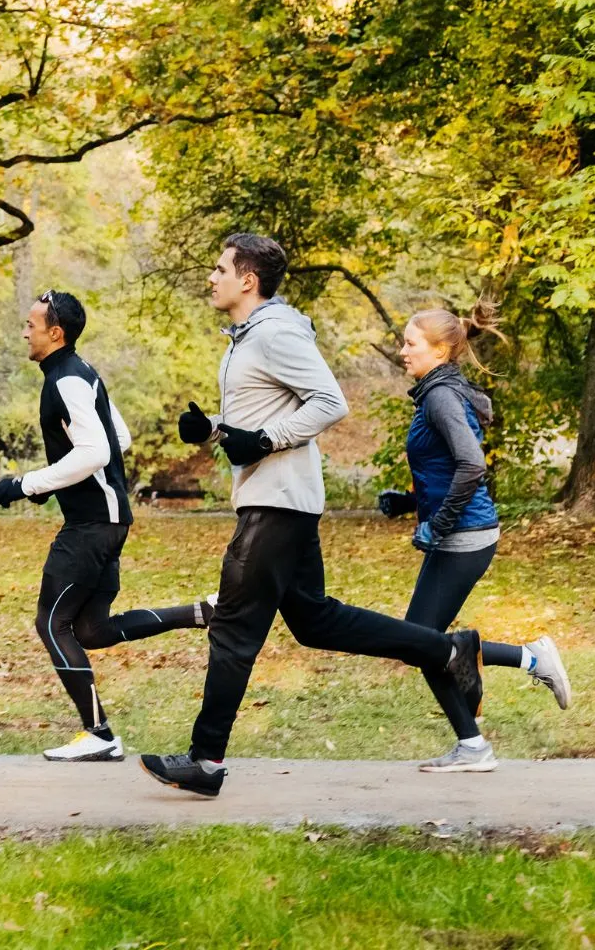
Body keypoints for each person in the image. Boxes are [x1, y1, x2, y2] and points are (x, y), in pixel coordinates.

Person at [139, 234, 486, 798]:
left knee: (232, 625)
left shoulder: (275, 331)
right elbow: (260, 423)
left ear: (247, 279)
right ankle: (447, 650)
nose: (211, 277)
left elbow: (329, 401)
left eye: (219, 268)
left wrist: (265, 439)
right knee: (316, 621)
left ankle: (205, 761)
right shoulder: (248, 335)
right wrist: (217, 432)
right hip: (274, 496)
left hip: (277, 501)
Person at [0, 289, 216, 763]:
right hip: (109, 521)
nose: (24, 332)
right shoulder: (81, 371)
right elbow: (120, 437)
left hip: (91, 525)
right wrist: (59, 482)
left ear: (55, 332)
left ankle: (99, 733)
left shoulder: (65, 381)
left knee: (52, 623)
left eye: (31, 325)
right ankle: (199, 613)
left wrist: (28, 483)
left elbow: (96, 450)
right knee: (90, 629)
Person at [378, 303, 572, 773]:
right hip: (462, 532)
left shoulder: (442, 396)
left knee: (420, 642)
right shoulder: (437, 392)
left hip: (465, 535)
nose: (402, 350)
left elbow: (472, 466)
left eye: (410, 343)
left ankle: (483, 732)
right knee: (422, 641)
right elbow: (446, 468)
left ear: (441, 350)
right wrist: (409, 505)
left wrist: (437, 524)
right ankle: (523, 669)